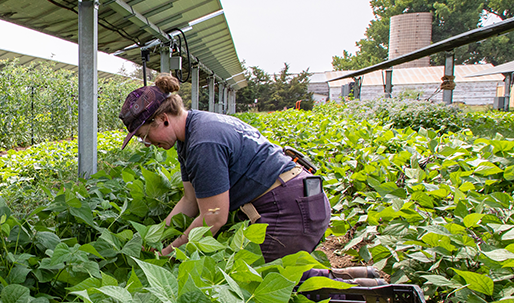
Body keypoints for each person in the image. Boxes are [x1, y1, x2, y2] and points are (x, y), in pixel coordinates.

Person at [119, 75, 378, 282]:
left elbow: (214, 217)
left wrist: (170, 253)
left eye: (144, 135)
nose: (147, 143)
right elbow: (190, 201)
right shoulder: (191, 137)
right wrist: (153, 238)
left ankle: (365, 295)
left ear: (163, 119)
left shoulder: (204, 142)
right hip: (298, 200)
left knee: (255, 282)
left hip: (290, 210)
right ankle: (363, 278)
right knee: (275, 275)